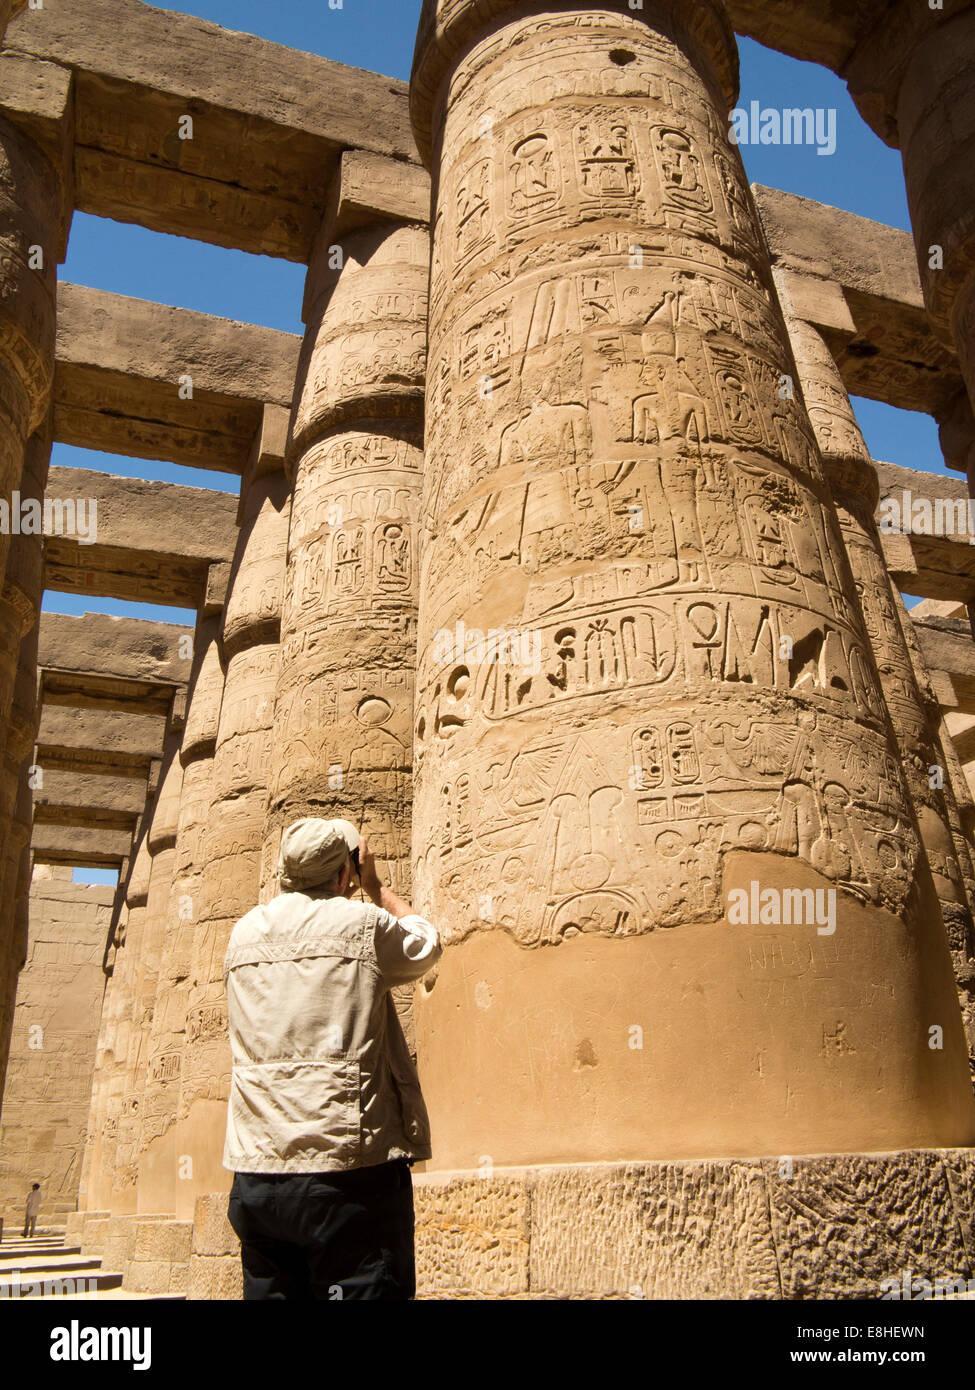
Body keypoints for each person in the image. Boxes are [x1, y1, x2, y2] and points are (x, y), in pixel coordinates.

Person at [223, 817, 441, 1301]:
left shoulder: (242, 934)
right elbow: (426, 946)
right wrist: (378, 888)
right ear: (345, 873)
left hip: (258, 1173)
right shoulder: (360, 924)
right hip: (344, 1172)